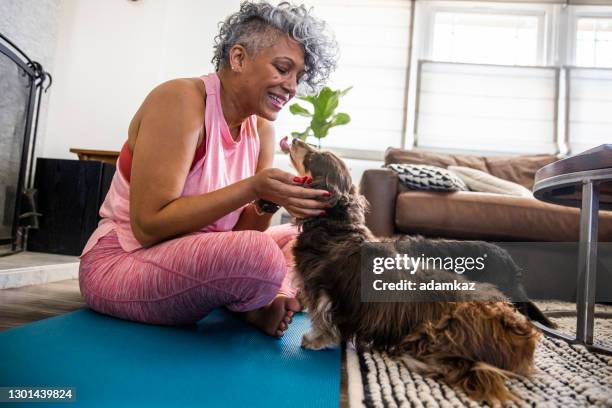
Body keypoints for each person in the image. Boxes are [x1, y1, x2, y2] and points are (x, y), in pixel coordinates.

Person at [78, 1, 338, 337]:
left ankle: (261, 299)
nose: (291, 86)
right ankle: (254, 301)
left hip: (200, 258)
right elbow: (149, 226)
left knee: (307, 240)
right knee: (258, 257)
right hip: (123, 262)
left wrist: (270, 199)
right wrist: (253, 187)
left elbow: (239, 234)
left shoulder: (261, 130)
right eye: (283, 68)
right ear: (239, 58)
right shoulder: (181, 99)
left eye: (297, 76)